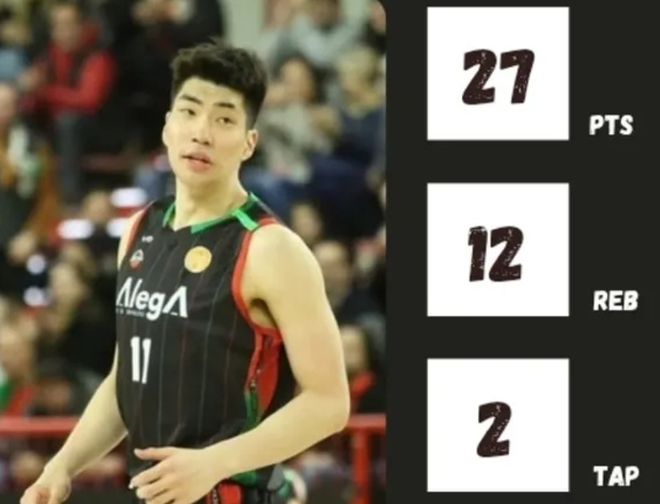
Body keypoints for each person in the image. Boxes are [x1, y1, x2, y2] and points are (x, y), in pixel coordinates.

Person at [20, 41, 350, 504]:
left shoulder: (271, 248)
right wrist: (62, 465)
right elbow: (124, 380)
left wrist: (214, 462)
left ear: (249, 143)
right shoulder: (140, 228)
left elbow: (329, 403)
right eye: (190, 112)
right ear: (167, 127)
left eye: (224, 120)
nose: (202, 133)